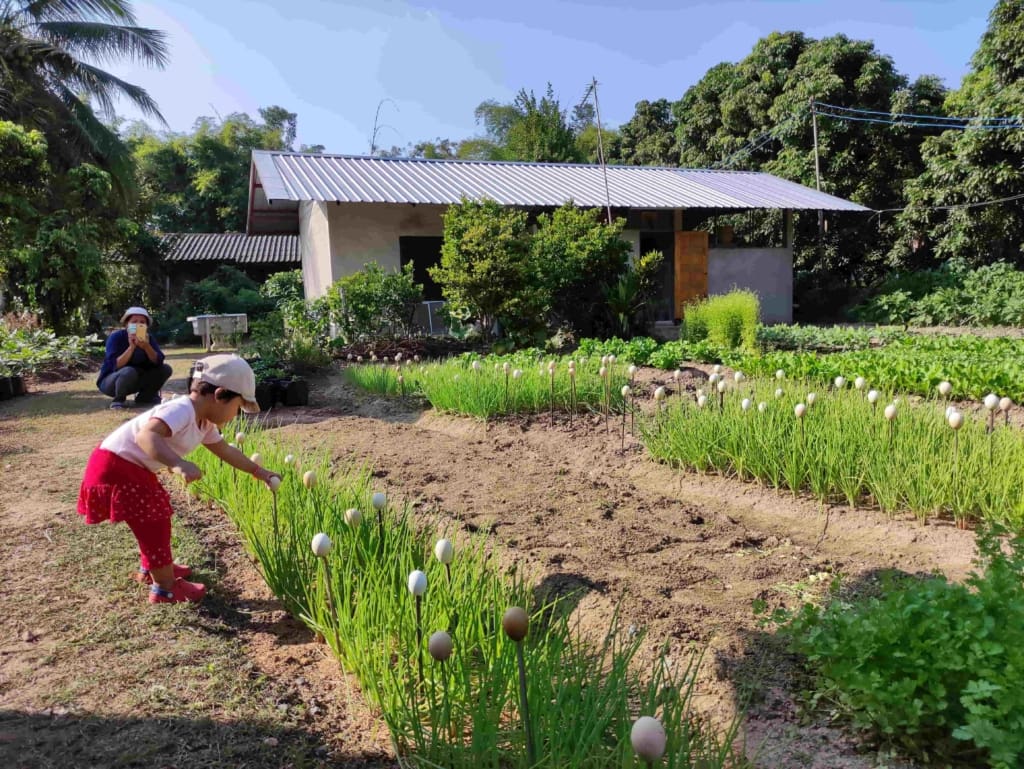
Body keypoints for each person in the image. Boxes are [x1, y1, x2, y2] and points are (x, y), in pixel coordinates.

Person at [77, 354, 280, 604]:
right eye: (237, 407)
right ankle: (165, 587)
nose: (235, 415)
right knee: (154, 520)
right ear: (219, 395)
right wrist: (178, 463)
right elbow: (146, 436)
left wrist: (258, 471)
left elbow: (225, 450)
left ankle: (153, 568)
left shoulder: (204, 422)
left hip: (127, 466)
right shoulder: (181, 409)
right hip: (117, 467)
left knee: (150, 521)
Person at [97, 306, 173, 409]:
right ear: (126, 324)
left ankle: (146, 397)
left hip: (136, 380)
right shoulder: (116, 337)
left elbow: (158, 361)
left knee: (166, 369)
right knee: (128, 371)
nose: (138, 325)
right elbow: (115, 365)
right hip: (111, 381)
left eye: (142, 322)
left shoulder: (148, 338)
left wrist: (146, 346)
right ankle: (119, 400)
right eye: (134, 322)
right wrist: (131, 347)